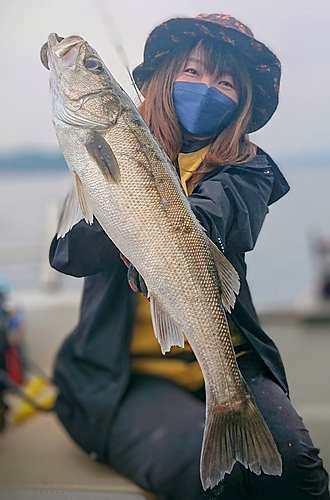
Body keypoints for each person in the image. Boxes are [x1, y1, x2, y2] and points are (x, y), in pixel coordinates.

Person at [49, 14, 330, 500]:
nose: (208, 88)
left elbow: (213, 219)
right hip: (127, 375)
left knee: (299, 475)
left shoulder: (251, 169)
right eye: (194, 71)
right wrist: (116, 205)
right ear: (162, 76)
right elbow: (69, 255)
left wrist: (158, 234)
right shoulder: (115, 144)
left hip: (229, 357)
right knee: (205, 483)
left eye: (225, 82)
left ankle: (229, 402)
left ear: (242, 101)